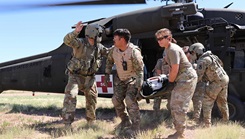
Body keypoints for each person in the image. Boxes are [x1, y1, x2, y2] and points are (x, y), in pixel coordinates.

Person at [62, 21, 108, 127]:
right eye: (99, 34)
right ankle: (67, 124)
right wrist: (75, 32)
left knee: (92, 98)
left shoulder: (99, 47)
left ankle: (91, 122)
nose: (100, 36)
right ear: (92, 34)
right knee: (71, 96)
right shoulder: (80, 43)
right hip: (75, 76)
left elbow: (109, 53)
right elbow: (66, 40)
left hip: (90, 78)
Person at [155, 28, 197, 139]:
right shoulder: (168, 49)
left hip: (186, 77)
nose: (158, 41)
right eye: (157, 39)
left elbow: (175, 68)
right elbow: (171, 69)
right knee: (173, 104)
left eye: (161, 38)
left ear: (168, 38)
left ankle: (180, 134)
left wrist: (170, 82)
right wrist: (168, 79)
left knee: (178, 106)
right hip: (182, 77)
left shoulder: (172, 49)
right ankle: (179, 132)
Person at [104, 28, 144, 134]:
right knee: (116, 100)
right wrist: (107, 74)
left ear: (122, 39)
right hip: (120, 79)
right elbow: (109, 61)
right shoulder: (114, 50)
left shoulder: (134, 52)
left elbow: (140, 71)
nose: (113, 40)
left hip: (132, 79)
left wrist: (139, 87)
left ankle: (136, 126)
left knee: (129, 100)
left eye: (115, 38)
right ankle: (125, 121)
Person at [189, 42, 229, 128]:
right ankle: (226, 122)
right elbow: (221, 64)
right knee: (222, 102)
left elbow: (198, 76)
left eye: (192, 53)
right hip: (224, 79)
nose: (192, 55)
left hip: (216, 82)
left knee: (206, 101)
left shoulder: (202, 61)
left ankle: (207, 125)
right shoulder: (212, 56)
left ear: (196, 51)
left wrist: (191, 84)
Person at [183, 45, 206, 123]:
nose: (186, 54)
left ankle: (196, 118)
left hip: (198, 84)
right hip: (189, 84)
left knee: (197, 101)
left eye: (187, 52)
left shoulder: (197, 62)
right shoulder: (185, 62)